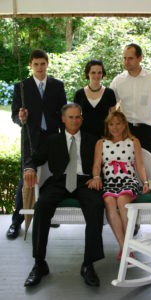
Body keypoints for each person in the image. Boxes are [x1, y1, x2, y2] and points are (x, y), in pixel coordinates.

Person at [23, 103, 104, 288]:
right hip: (60, 181)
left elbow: (104, 163)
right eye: (70, 117)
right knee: (41, 206)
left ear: (82, 119)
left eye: (77, 117)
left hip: (85, 182)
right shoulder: (53, 140)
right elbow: (34, 159)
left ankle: (88, 264)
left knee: (96, 206)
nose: (74, 121)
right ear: (63, 119)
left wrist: (97, 178)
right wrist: (29, 168)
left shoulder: (93, 140)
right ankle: (39, 263)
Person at [7, 49, 67, 239]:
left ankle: (49, 215)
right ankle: (16, 222)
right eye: (36, 64)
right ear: (31, 65)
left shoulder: (57, 86)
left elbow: (63, 114)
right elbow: (15, 115)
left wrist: (64, 138)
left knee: (51, 176)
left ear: (47, 64)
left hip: (51, 138)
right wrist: (21, 117)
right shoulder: (22, 87)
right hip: (30, 139)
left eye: (43, 64)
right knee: (26, 178)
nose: (40, 68)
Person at [88, 111, 149, 260]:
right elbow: (96, 165)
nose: (115, 127)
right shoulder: (101, 143)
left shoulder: (133, 141)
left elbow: (140, 165)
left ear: (124, 125)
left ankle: (126, 249)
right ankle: (125, 247)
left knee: (122, 200)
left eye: (118, 123)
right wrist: (96, 177)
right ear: (107, 126)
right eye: (111, 124)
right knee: (109, 202)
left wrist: (145, 182)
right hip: (110, 182)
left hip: (128, 180)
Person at [110, 43, 151, 154]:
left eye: (130, 58)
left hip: (145, 131)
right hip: (125, 130)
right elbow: (111, 105)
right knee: (125, 167)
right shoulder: (118, 80)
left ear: (140, 58)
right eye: (124, 58)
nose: (126, 62)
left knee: (146, 168)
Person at [74, 59, 116, 138]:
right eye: (93, 72)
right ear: (87, 73)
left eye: (99, 72)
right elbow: (75, 117)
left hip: (105, 135)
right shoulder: (79, 94)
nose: (96, 75)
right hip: (84, 136)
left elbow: (113, 117)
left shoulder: (109, 93)